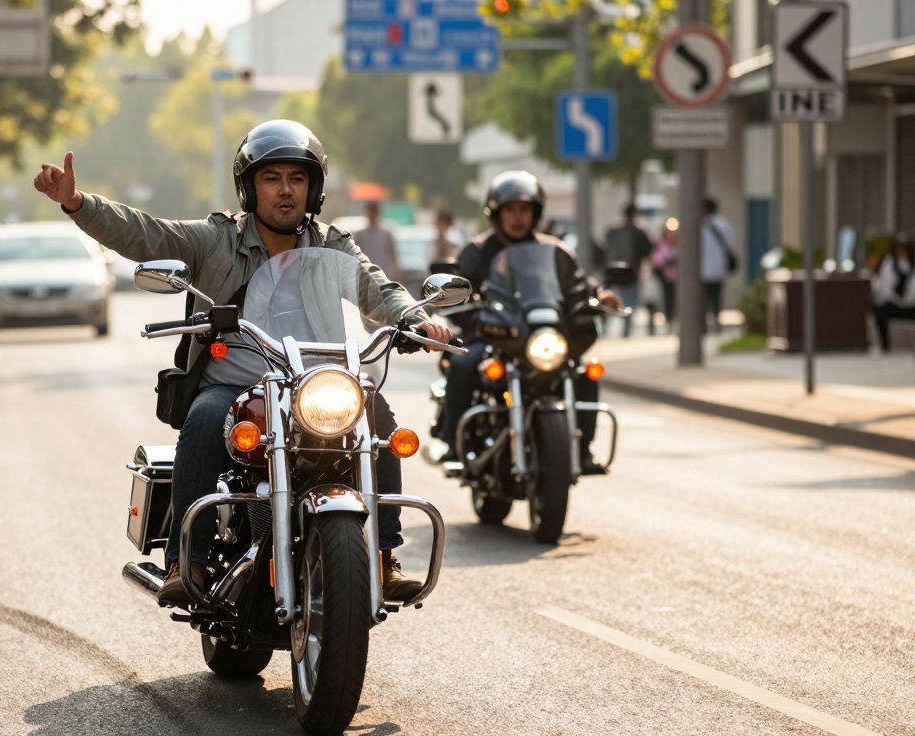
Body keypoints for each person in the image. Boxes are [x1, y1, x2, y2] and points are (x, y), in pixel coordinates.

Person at [32, 119, 452, 606]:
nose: (286, 191)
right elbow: (146, 236)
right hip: (235, 387)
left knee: (375, 417)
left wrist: (413, 321)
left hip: (311, 384)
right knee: (204, 418)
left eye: (297, 179)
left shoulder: (332, 243)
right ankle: (185, 558)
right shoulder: (216, 239)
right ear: (250, 188)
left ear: (313, 188)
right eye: (272, 178)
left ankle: (382, 554)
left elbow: (376, 287)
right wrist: (77, 202)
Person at [436, 170, 620, 475]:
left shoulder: (556, 251)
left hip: (540, 337)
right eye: (510, 210)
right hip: (494, 334)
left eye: (524, 209)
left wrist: (598, 296)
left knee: (586, 372)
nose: (518, 217)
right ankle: (454, 445)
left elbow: (577, 286)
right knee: (463, 365)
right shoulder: (478, 251)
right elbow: (459, 288)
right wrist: (457, 301)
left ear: (535, 213)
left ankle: (582, 448)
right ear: (496, 214)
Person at [603, 204, 652, 338]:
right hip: (631, 274)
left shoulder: (613, 232)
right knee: (629, 303)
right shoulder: (638, 232)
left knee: (610, 302)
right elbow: (648, 251)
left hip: (613, 274)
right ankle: (625, 332)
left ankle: (605, 331)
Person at [871, 233, 915, 352]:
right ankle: (886, 347)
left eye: (904, 249)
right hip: (895, 303)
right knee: (880, 311)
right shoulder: (888, 264)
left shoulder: (912, 265)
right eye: (899, 249)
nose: (901, 252)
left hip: (911, 305)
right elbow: (882, 287)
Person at [700, 197, 735, 334]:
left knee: (703, 298)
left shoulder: (700, 225)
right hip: (719, 267)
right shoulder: (724, 224)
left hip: (703, 268)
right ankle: (716, 322)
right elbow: (730, 244)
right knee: (716, 296)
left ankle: (704, 325)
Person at [355, 200, 403, 284]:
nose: (371, 215)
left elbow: (393, 256)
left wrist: (397, 275)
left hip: (384, 274)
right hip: (366, 275)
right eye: (370, 212)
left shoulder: (386, 234)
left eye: (374, 212)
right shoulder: (360, 235)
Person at [649, 218, 680, 332]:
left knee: (677, 300)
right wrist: (666, 261)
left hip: (678, 277)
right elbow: (655, 259)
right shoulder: (661, 243)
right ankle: (668, 320)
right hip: (665, 276)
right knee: (667, 299)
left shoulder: (680, 243)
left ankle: (675, 319)